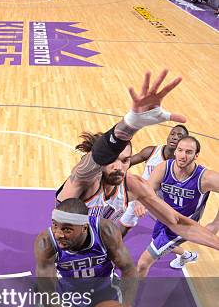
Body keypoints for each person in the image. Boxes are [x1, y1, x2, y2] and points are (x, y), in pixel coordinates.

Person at [56, 69, 219, 253]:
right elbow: (98, 156)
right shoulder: (83, 180)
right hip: (66, 251)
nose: (119, 166)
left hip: (99, 249)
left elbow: (178, 223)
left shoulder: (133, 186)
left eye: (125, 160)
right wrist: (131, 124)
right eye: (112, 160)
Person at [20, 199, 138, 307]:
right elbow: (48, 294)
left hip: (103, 292)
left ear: (84, 227)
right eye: (55, 225)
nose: (58, 233)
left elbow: (128, 269)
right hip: (66, 292)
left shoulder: (105, 231)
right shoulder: (46, 242)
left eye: (67, 229)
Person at [137, 136, 219, 276]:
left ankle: (132, 296)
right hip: (165, 217)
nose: (183, 155)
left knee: (143, 263)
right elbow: (148, 188)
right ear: (175, 152)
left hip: (184, 225)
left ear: (196, 155)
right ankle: (187, 255)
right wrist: (140, 202)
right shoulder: (164, 167)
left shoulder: (205, 177)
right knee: (155, 239)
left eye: (188, 152)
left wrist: (216, 223)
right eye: (180, 150)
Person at [119, 124, 189, 235]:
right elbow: (128, 162)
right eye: (172, 134)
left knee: (165, 236)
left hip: (161, 202)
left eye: (179, 136)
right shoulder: (151, 151)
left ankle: (185, 253)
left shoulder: (182, 164)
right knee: (123, 226)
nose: (174, 137)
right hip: (141, 195)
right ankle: (110, 249)